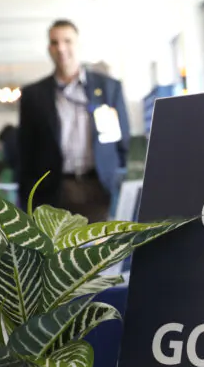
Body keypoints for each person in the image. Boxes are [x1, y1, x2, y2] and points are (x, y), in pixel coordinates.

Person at [17, 20, 129, 219]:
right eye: (54, 42)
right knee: (57, 249)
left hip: (99, 187)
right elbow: (26, 151)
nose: (61, 48)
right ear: (48, 48)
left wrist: (116, 179)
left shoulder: (108, 88)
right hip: (53, 192)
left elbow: (123, 143)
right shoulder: (34, 95)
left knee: (99, 248)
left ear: (78, 45)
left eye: (67, 41)